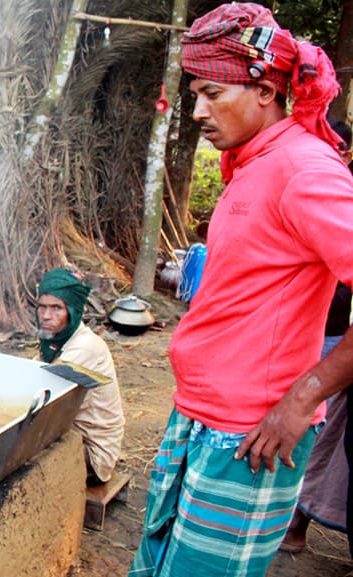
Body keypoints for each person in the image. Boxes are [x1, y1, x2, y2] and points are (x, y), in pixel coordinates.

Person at [129, 4, 353, 577]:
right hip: (199, 417)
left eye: (212, 94)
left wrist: (302, 399)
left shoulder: (306, 170)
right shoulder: (251, 162)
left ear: (263, 90)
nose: (198, 111)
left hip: (250, 435)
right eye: (194, 95)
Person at [280, 122, 353, 554]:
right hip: (314, 332)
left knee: (321, 432)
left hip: (335, 334)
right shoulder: (311, 184)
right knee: (317, 433)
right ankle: (294, 521)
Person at [35, 268, 125, 485]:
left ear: (73, 311)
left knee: (19, 462)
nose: (46, 316)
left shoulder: (84, 348)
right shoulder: (56, 341)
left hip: (93, 452)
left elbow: (37, 392)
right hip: (70, 435)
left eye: (57, 308)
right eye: (42, 307)